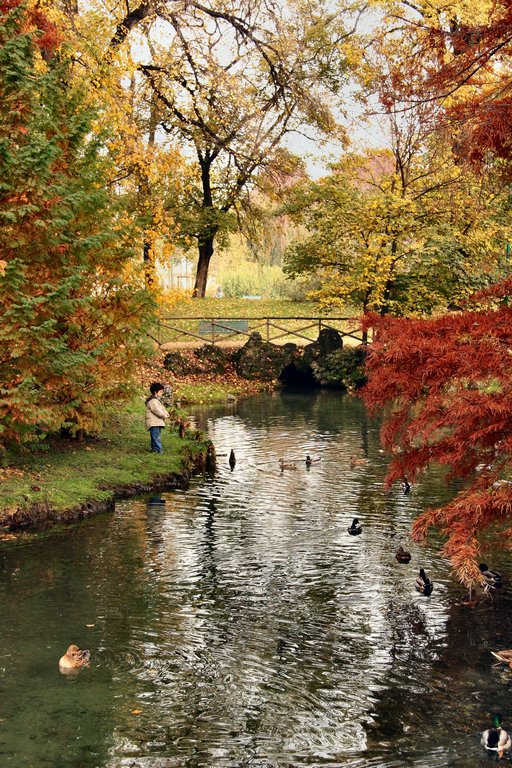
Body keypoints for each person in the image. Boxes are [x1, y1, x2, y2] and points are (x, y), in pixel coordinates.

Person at [145, 382, 170, 453]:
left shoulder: (156, 400)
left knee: (156, 436)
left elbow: (162, 408)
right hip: (153, 422)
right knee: (156, 437)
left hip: (156, 422)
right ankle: (158, 450)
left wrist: (166, 413)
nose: (162, 393)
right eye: (160, 391)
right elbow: (156, 410)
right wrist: (163, 415)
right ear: (155, 392)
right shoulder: (152, 401)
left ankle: (155, 449)